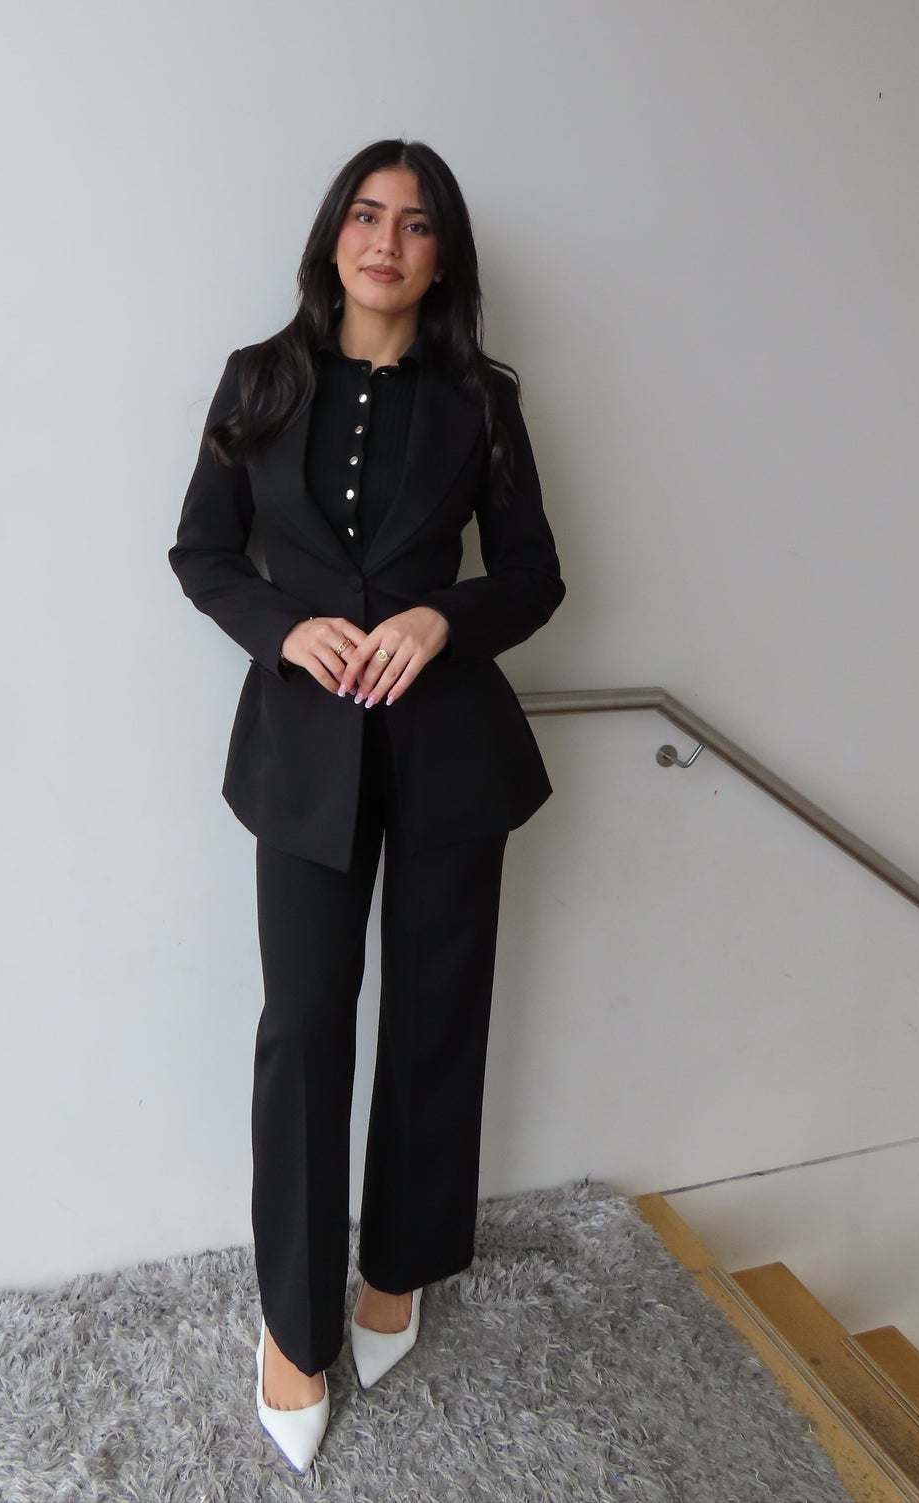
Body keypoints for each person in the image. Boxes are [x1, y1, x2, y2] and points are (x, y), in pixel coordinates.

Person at [168, 137, 565, 1472]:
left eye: (414, 223)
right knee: (303, 1030)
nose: (385, 242)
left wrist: (442, 620)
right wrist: (285, 631)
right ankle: (293, 1319)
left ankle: (397, 1267)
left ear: (442, 257)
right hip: (301, 755)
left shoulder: (482, 402)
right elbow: (202, 552)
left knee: (437, 1015)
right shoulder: (258, 381)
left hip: (449, 750)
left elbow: (533, 573)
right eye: (365, 214)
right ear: (333, 236)